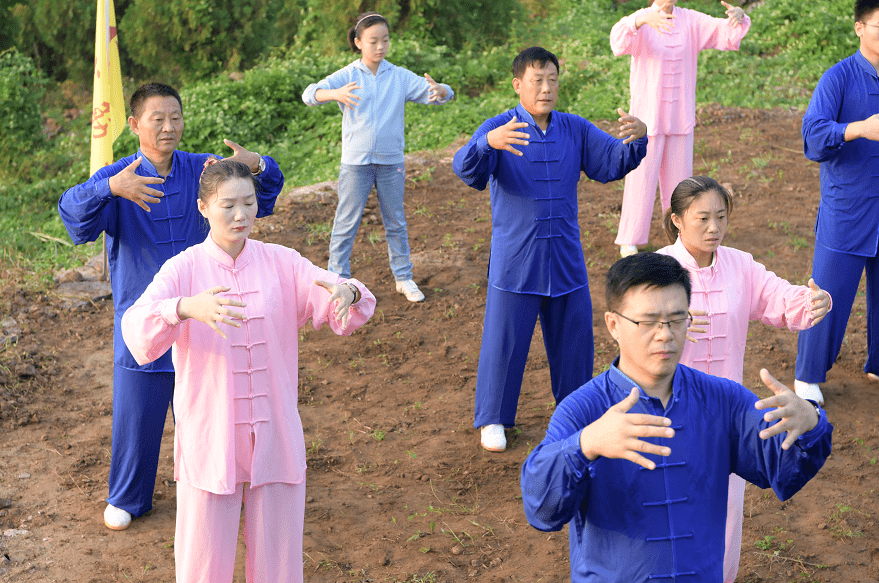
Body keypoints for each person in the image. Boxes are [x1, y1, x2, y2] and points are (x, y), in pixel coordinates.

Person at [121, 159, 376, 582]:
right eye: (227, 206)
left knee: (279, 558)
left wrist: (347, 291)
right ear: (203, 207)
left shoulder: (282, 262)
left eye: (249, 203)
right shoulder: (183, 269)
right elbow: (136, 327)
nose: (240, 215)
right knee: (203, 560)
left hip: (273, 431)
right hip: (211, 435)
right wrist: (185, 308)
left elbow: (339, 291)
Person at [520, 252, 833, 582]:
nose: (664, 334)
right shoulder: (583, 409)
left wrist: (810, 422)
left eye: (676, 319)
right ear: (613, 324)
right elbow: (542, 509)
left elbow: (782, 470)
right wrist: (585, 444)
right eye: (648, 321)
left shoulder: (722, 400)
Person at [58, 83, 285, 531]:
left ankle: (217, 488)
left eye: (176, 117)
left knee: (211, 414)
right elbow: (72, 215)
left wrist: (258, 163)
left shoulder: (202, 170)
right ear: (134, 124)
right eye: (157, 118)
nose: (169, 126)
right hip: (142, 318)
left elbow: (262, 194)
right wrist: (109, 188)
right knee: (135, 415)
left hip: (203, 318)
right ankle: (128, 496)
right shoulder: (119, 176)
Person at [453, 46, 648, 452]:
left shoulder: (573, 128)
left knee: (575, 342)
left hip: (564, 257)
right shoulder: (500, 127)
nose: (546, 88)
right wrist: (487, 143)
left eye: (552, 80)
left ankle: (575, 412)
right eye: (537, 80)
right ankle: (493, 418)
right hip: (516, 260)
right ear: (517, 85)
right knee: (504, 343)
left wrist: (637, 139)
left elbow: (610, 162)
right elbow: (466, 169)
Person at [655, 176, 831, 583]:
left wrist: (814, 301)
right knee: (672, 505)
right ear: (678, 220)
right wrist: (666, 321)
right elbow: (635, 325)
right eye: (703, 218)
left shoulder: (740, 265)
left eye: (721, 217)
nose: (714, 227)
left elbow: (780, 299)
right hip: (669, 413)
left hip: (727, 415)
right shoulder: (660, 270)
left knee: (728, 507)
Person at [302, 11, 455, 303]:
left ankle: (403, 278)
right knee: (345, 223)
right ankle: (338, 280)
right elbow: (310, 94)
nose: (380, 46)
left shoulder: (397, 75)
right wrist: (335, 94)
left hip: (391, 163)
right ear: (359, 42)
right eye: (373, 41)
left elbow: (439, 94)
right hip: (355, 164)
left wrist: (441, 89)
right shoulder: (347, 74)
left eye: (385, 40)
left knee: (395, 221)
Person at [610, 0, 751, 257]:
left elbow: (725, 33)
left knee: (680, 182)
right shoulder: (641, 19)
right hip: (647, 120)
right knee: (640, 179)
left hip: (679, 117)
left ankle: (679, 236)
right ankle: (630, 239)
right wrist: (639, 20)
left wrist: (738, 18)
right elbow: (617, 42)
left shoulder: (691, 20)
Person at [795, 0, 879, 406]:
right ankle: (807, 376)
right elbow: (812, 137)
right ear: (860, 28)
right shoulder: (838, 77)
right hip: (848, 208)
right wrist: (858, 128)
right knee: (827, 292)